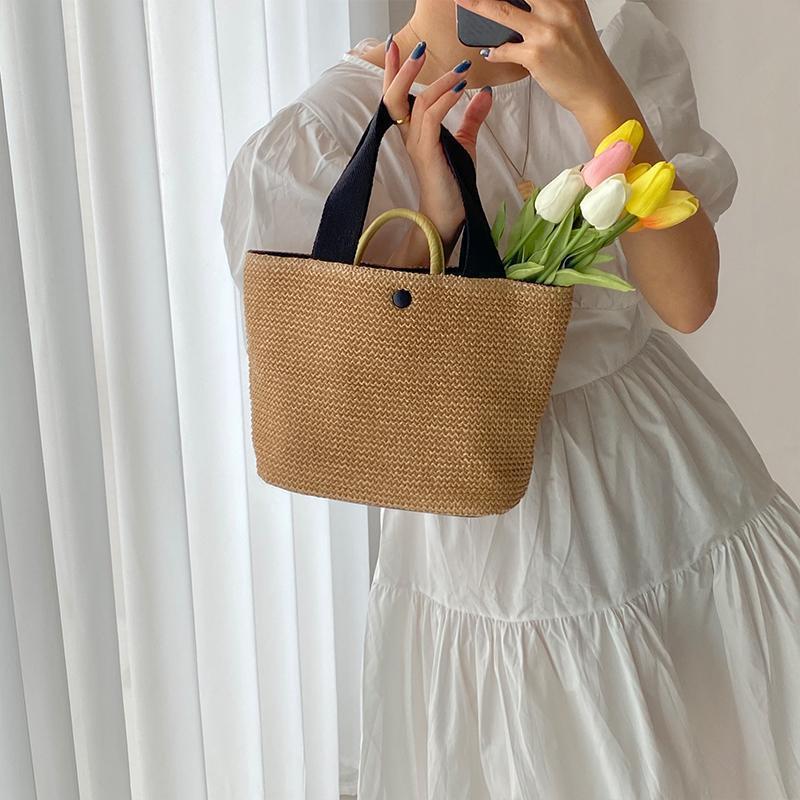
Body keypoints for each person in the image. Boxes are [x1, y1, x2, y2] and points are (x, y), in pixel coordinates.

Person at [221, 1, 800, 797]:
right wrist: (435, 226)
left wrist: (599, 98)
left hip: (672, 489)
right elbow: (348, 401)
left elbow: (688, 301)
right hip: (492, 540)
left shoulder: (617, 55)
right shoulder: (327, 137)